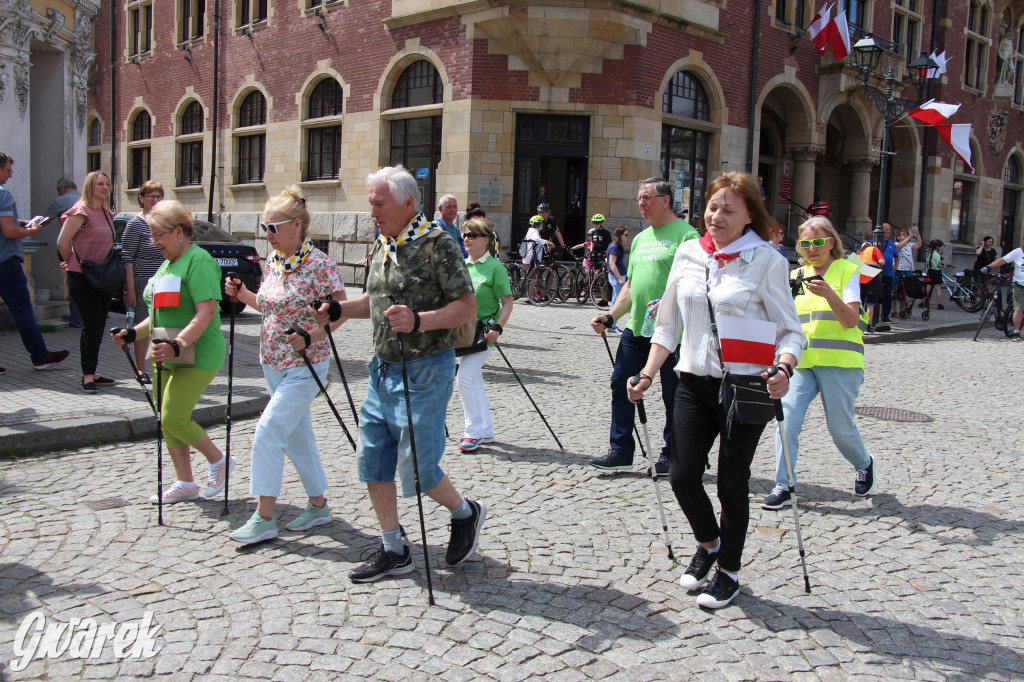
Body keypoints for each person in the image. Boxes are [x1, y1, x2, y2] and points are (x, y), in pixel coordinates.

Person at [626, 171, 804, 609]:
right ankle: (708, 543)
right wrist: (647, 374)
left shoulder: (766, 260)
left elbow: (790, 332)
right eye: (712, 207)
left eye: (728, 209)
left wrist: (784, 367)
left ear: (748, 216)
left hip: (746, 385)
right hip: (692, 381)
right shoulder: (689, 253)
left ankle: (729, 570)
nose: (716, 216)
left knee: (731, 482)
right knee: (683, 474)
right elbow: (667, 325)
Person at [313, 165, 484, 584]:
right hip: (382, 370)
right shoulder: (385, 243)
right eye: (370, 202)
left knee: (419, 470)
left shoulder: (437, 244)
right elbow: (373, 301)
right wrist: (339, 310)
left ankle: (465, 513)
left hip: (426, 371)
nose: (371, 210)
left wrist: (420, 320)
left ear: (408, 202)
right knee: (373, 462)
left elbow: (466, 307)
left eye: (378, 202)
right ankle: (394, 548)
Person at [223, 186, 347, 544]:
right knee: (297, 437)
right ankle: (319, 506)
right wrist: (242, 295)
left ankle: (264, 518)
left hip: (307, 365)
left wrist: (313, 335)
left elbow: (340, 311)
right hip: (272, 361)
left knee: (268, 431)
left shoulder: (319, 264)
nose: (267, 235)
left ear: (296, 225)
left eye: (273, 228)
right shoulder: (276, 260)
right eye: (264, 228)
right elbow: (270, 305)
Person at [110, 200, 230, 503]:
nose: (154, 242)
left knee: (174, 418)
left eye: (158, 235)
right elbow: (157, 316)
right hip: (164, 351)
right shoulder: (168, 264)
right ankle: (185, 483)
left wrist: (181, 344)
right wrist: (132, 332)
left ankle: (220, 460)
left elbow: (205, 312)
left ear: (178, 231)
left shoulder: (197, 261)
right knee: (165, 417)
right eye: (151, 235)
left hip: (196, 351)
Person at [761, 216, 874, 511]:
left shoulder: (846, 270)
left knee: (839, 427)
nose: (812, 248)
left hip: (840, 362)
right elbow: (784, 317)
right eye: (806, 243)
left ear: (831, 243)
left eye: (819, 241)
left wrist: (829, 294)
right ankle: (784, 485)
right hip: (801, 363)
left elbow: (850, 320)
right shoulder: (796, 276)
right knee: (787, 420)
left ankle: (863, 462)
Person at [588, 178, 699, 475]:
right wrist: (611, 316)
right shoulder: (640, 239)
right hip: (637, 327)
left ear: (666, 199)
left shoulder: (687, 236)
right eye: (639, 197)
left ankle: (672, 453)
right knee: (620, 384)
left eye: (647, 197)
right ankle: (621, 450)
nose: (641, 203)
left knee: (673, 394)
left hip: (673, 332)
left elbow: (693, 285)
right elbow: (630, 286)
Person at [0, 152, 69, 375]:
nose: (10, 175)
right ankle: (40, 356)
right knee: (23, 311)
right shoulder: (3, 195)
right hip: (5, 262)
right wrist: (32, 229)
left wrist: (17, 222)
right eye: (8, 170)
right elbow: (9, 231)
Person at [57, 171, 118, 393]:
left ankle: (93, 371)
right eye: (100, 184)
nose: (105, 187)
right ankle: (87, 375)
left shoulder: (106, 213)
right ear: (89, 186)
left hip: (102, 275)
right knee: (92, 325)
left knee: (99, 325)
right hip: (82, 276)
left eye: (107, 183)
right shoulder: (80, 210)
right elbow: (62, 241)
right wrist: (71, 261)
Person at [457, 218, 514, 452]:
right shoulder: (462, 265)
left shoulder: (495, 267)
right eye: (465, 235)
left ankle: (473, 432)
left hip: (484, 333)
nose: (467, 239)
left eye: (472, 235)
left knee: (464, 379)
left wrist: (498, 328)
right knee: (475, 381)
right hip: (463, 332)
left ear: (486, 240)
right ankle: (486, 431)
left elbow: (508, 302)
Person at [121, 180, 167, 383]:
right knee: (141, 325)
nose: (156, 200)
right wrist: (130, 288)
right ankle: (140, 369)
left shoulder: (164, 222)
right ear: (141, 199)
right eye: (152, 197)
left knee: (162, 324)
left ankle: (161, 364)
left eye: (159, 196)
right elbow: (127, 257)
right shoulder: (135, 223)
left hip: (164, 281)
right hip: (141, 280)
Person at [45, 177, 83, 328]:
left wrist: (28, 226)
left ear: (61, 188)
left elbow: (45, 221)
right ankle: (88, 316)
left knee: (73, 281)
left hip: (72, 247)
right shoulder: (84, 199)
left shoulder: (59, 201)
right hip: (89, 249)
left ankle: (77, 318)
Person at [981, 243, 1024, 340]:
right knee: (1019, 309)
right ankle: (1016, 332)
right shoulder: (1018, 252)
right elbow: (1002, 260)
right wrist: (989, 266)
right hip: (1019, 285)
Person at [856, 232, 884, 334]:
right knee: (870, 305)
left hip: (860, 278)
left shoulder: (860, 252)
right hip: (872, 277)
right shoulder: (874, 249)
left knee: (860, 303)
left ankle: (858, 326)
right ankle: (868, 327)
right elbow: (882, 261)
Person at [873, 223, 899, 329]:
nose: (888, 231)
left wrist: (896, 266)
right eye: (886, 230)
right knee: (875, 296)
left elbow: (897, 256)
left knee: (887, 296)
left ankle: (885, 316)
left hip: (888, 273)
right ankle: (874, 316)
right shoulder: (872, 242)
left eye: (889, 230)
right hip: (876, 274)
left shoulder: (891, 244)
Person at [605, 227, 629, 335]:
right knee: (616, 302)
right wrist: (619, 278)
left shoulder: (614, 246)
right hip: (617, 277)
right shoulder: (614, 247)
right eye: (626, 235)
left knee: (616, 300)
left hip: (617, 276)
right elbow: (611, 263)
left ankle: (612, 325)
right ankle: (611, 326)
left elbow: (607, 260)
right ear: (620, 236)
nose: (627, 237)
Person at [894, 224, 921, 317]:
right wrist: (910, 236)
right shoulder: (896, 244)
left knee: (904, 292)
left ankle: (902, 310)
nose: (905, 235)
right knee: (897, 292)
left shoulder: (909, 245)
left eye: (906, 234)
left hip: (908, 269)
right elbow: (900, 247)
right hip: (899, 270)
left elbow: (919, 245)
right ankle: (894, 311)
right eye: (903, 234)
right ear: (898, 237)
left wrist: (917, 233)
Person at [924, 239, 944, 310]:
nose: (941, 247)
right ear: (937, 247)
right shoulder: (937, 255)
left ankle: (923, 301)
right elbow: (938, 265)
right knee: (938, 288)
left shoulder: (930, 254)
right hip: (936, 272)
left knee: (928, 287)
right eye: (940, 246)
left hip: (930, 271)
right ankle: (939, 304)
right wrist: (943, 266)